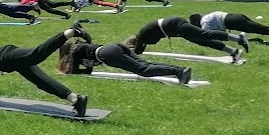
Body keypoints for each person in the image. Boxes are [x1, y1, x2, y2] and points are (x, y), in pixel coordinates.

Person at [0, 25, 90, 116]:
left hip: (2, 57)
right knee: (41, 81)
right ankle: (75, 99)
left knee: (35, 55)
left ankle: (70, 32)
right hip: (7, 63)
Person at [56, 26, 193, 85]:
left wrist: (68, 70)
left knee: (143, 70)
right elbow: (89, 70)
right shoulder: (80, 49)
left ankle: (178, 72)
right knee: (145, 65)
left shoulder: (74, 51)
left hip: (106, 53)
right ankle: (180, 71)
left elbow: (73, 72)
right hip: (112, 48)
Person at [125, 16, 244, 61]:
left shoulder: (142, 36)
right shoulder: (143, 37)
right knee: (203, 41)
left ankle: (238, 38)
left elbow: (137, 52)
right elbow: (139, 50)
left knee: (204, 34)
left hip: (176, 25)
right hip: (176, 28)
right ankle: (233, 51)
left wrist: (126, 54)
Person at [189, 11, 269, 45]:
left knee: (262, 30)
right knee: (262, 29)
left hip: (233, 22)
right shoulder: (208, 16)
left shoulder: (204, 24)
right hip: (235, 16)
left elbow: (209, 37)